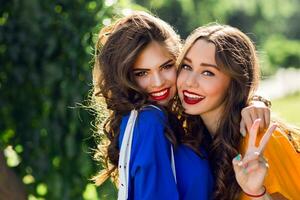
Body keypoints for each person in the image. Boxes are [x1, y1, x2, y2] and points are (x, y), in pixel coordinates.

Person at [91, 12, 271, 199]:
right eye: (142, 73)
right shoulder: (148, 121)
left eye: (166, 66)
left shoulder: (181, 120)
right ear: (126, 78)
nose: (158, 82)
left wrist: (252, 102)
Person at [176, 23, 300, 199]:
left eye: (207, 73)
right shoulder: (194, 137)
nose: (189, 82)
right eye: (187, 67)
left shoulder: (260, 140)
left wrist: (256, 192)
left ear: (234, 83)